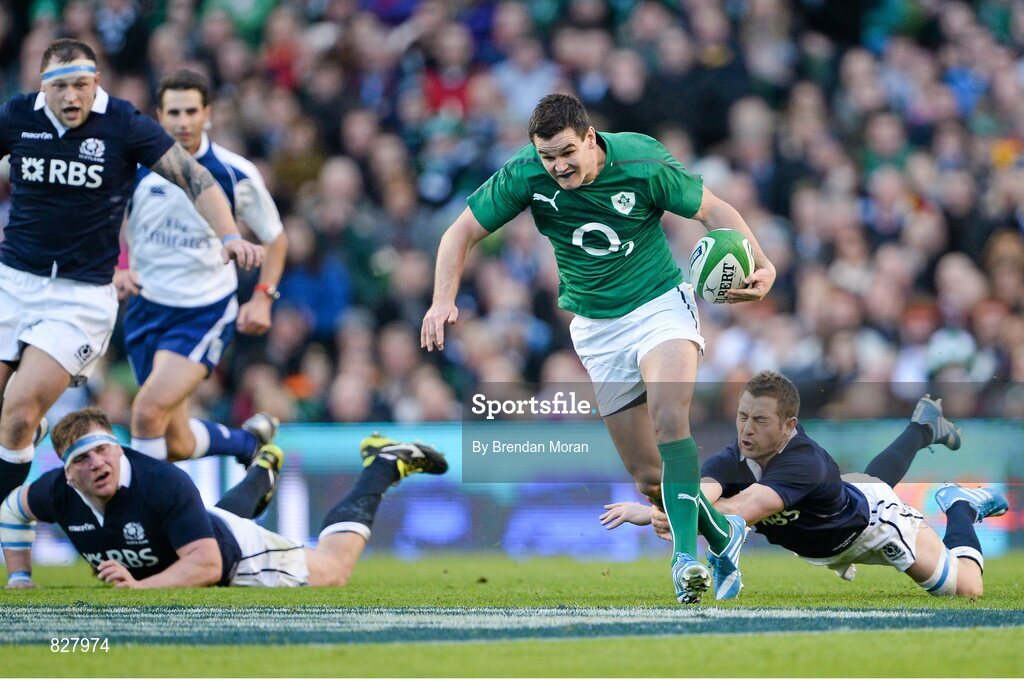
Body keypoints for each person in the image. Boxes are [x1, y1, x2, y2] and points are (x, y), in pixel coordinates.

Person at [420, 93, 776, 603]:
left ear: (590, 138)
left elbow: (716, 210)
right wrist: (441, 301)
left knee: (670, 418)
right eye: (548, 157)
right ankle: (723, 536)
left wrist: (764, 265)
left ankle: (683, 560)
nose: (558, 166)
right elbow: (460, 233)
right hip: (596, 329)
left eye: (567, 152)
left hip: (660, 306)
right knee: (650, 479)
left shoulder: (642, 161)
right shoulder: (525, 174)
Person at [0, 39, 263, 504]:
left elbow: (193, 177)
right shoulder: (18, 115)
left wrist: (228, 235)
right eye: (60, 86)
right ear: (41, 86)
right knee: (14, 416)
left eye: (81, 84)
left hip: (78, 298)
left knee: (19, 414)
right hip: (12, 282)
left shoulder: (122, 123)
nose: (71, 97)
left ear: (96, 82)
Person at [602, 371, 1008, 599]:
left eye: (759, 420)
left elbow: (741, 511)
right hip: (838, 509)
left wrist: (677, 515)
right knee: (873, 482)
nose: (746, 429)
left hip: (871, 529)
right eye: (743, 416)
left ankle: (960, 505)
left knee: (967, 589)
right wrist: (669, 508)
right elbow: (700, 494)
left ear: (789, 426)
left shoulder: (804, 462)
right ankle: (922, 427)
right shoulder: (732, 458)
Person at [1, 408, 447, 588]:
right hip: (191, 533)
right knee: (204, 520)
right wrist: (20, 580)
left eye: (104, 449)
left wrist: (139, 586)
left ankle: (384, 464)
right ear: (65, 471)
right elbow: (11, 510)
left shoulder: (162, 481)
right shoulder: (55, 493)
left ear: (118, 448)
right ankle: (261, 470)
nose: (97, 463)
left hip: (232, 555)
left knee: (333, 570)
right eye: (82, 459)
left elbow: (208, 565)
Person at [116, 69, 289, 465]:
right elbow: (109, 225)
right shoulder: (135, 169)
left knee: (145, 413)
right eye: (174, 112)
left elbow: (276, 238)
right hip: (145, 308)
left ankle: (151, 521)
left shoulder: (235, 173)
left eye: (192, 111)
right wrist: (118, 267)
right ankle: (247, 444)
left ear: (208, 113)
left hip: (203, 311)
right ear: (158, 116)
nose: (183, 122)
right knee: (173, 439)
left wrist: (263, 298)